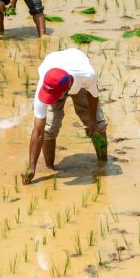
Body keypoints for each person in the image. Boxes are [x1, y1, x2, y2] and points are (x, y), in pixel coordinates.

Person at [22, 48, 108, 184]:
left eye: (55, 97)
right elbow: (38, 131)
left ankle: (103, 164)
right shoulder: (44, 85)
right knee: (48, 129)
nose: (51, 100)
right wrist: (31, 167)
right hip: (55, 70)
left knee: (98, 124)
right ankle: (50, 168)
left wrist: (92, 121)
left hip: (78, 76)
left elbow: (93, 95)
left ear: (67, 90)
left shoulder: (86, 76)